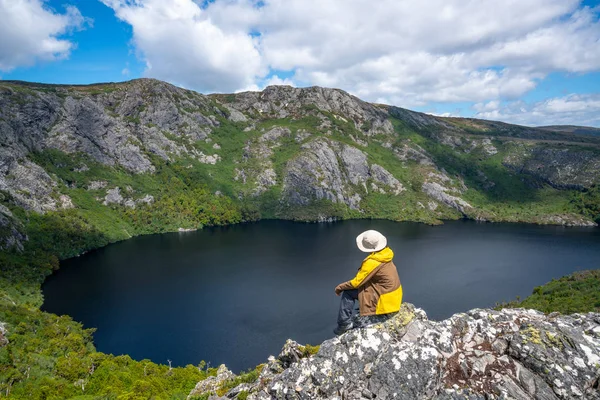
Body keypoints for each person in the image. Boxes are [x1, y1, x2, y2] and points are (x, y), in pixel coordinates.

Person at [333, 230, 403, 335]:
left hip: (384, 301)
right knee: (363, 287)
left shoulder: (372, 262)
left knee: (348, 293)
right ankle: (363, 306)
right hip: (394, 296)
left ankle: (344, 324)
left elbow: (356, 282)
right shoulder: (386, 253)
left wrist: (340, 287)